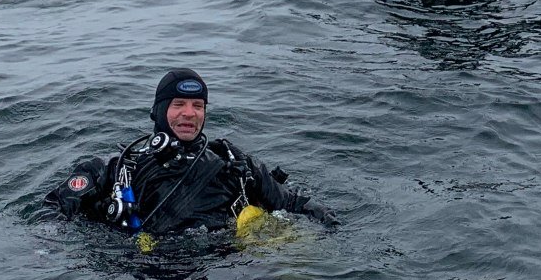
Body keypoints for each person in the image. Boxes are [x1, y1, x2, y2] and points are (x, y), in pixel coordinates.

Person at [47, 70, 335, 246]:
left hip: (227, 264)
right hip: (142, 264)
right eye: (179, 104)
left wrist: (331, 225)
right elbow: (52, 212)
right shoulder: (116, 167)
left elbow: (291, 203)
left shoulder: (233, 164)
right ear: (159, 111)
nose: (189, 113)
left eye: (198, 105)